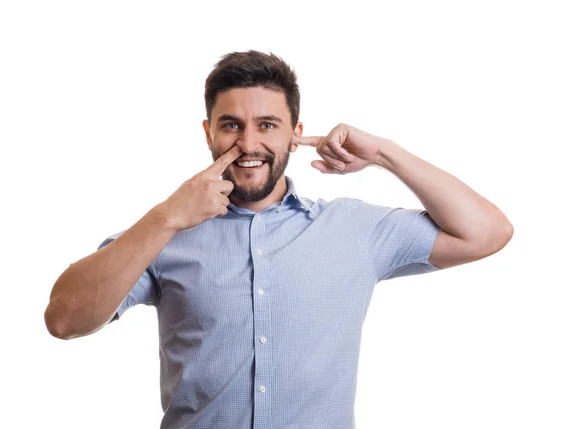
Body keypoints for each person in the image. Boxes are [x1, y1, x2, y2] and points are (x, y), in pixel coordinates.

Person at [44, 50, 513, 429]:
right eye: (231, 125)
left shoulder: (354, 229)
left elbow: (488, 232)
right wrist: (165, 218)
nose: (248, 144)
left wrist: (386, 155)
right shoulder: (164, 232)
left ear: (296, 135)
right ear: (208, 133)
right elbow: (64, 320)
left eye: (267, 125)